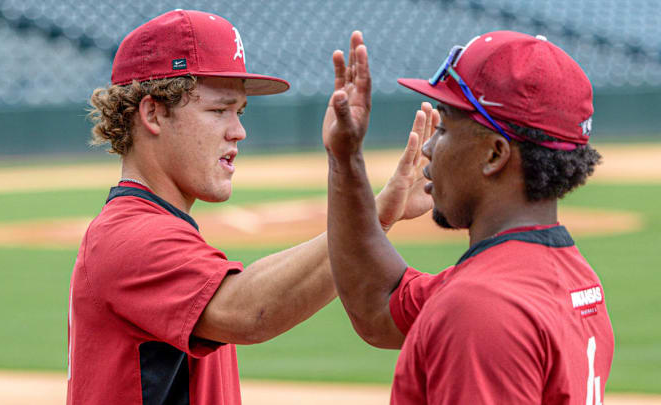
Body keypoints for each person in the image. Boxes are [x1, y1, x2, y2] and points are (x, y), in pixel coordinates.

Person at [67, 10, 423, 405]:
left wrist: (375, 217)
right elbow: (251, 311)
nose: (238, 131)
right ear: (153, 113)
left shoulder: (154, 226)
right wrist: (372, 215)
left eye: (239, 111)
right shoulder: (129, 237)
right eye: (218, 110)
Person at [323, 31, 614, 404]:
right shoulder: (572, 276)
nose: (428, 147)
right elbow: (379, 305)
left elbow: (471, 309)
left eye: (444, 127)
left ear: (495, 154)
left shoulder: (482, 307)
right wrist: (345, 159)